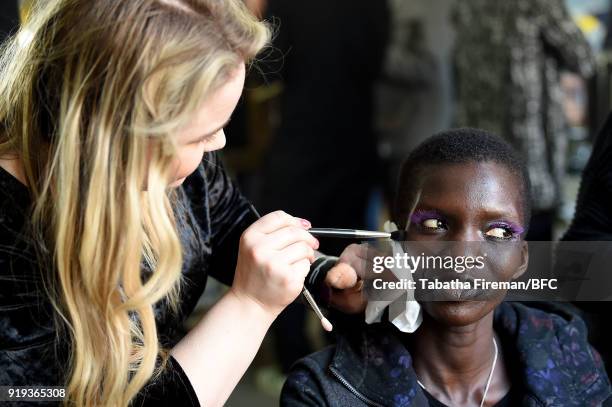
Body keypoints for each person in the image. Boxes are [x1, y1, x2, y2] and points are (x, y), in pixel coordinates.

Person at [0, 1, 366, 406]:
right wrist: (251, 306)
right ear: (118, 135)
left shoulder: (183, 171)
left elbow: (224, 224)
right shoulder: (9, 237)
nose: (219, 145)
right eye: (200, 136)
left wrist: (320, 274)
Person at [281, 129, 612, 406]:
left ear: (522, 259)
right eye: (435, 224)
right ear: (396, 241)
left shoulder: (574, 364)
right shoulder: (324, 392)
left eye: (498, 232)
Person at [453, 0, 595, 240]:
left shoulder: (466, 4)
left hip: (478, 158)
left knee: (486, 254)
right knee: (530, 260)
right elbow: (583, 58)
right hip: (530, 163)